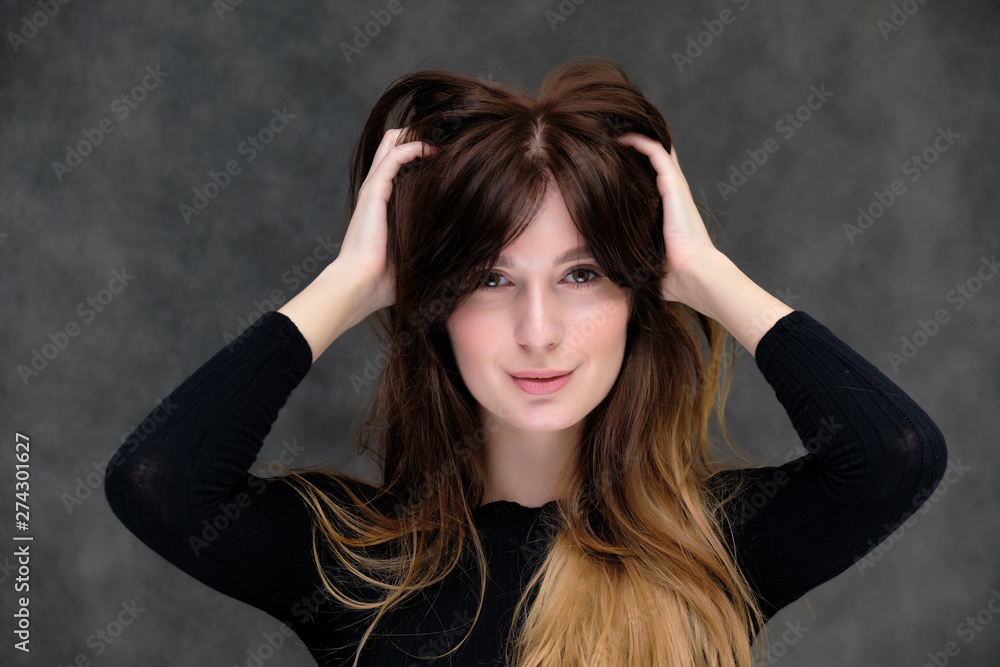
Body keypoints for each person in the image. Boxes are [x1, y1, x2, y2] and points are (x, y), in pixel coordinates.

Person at [105, 57, 948, 666]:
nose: (538, 330)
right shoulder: (357, 565)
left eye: (582, 274)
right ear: (434, 305)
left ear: (637, 291)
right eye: (488, 278)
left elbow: (893, 457)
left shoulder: (710, 550)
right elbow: (158, 480)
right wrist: (353, 279)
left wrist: (704, 274)